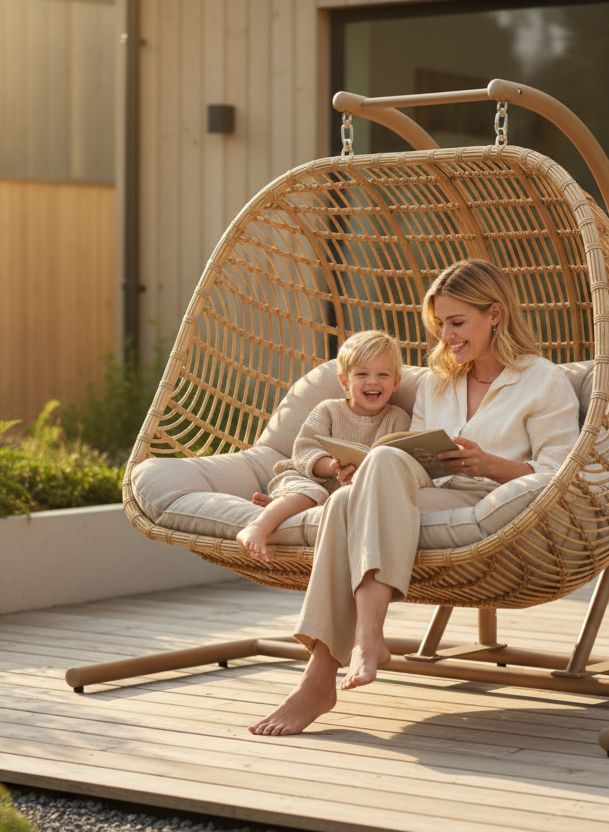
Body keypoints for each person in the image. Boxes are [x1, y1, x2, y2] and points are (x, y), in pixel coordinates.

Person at [248, 258, 580, 736]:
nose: (447, 336)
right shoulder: (439, 378)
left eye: (458, 322)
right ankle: (336, 666)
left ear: (495, 314)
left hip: (488, 498)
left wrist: (491, 464)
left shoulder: (543, 380)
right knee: (344, 499)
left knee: (357, 491)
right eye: (440, 324)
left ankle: (349, 652)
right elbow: (415, 457)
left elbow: (558, 472)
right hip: (430, 493)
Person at [236, 330, 411, 563]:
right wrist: (332, 466)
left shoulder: (398, 419)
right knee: (312, 492)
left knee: (346, 500)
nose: (372, 381)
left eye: (383, 374)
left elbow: (399, 461)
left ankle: (284, 506)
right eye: (361, 374)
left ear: (396, 382)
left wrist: (358, 478)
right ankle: (258, 527)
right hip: (307, 479)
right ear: (344, 381)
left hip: (352, 490)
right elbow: (305, 450)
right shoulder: (329, 410)